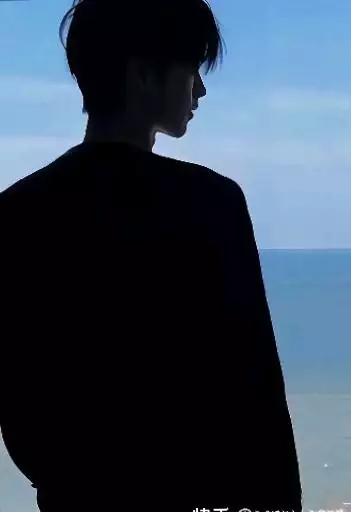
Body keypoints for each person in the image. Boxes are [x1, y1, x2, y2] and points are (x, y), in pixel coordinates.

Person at [0, 1, 303, 510]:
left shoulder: (16, 212)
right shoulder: (211, 202)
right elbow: (256, 390)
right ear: (142, 75)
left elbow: (17, 393)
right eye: (191, 71)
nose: (200, 90)